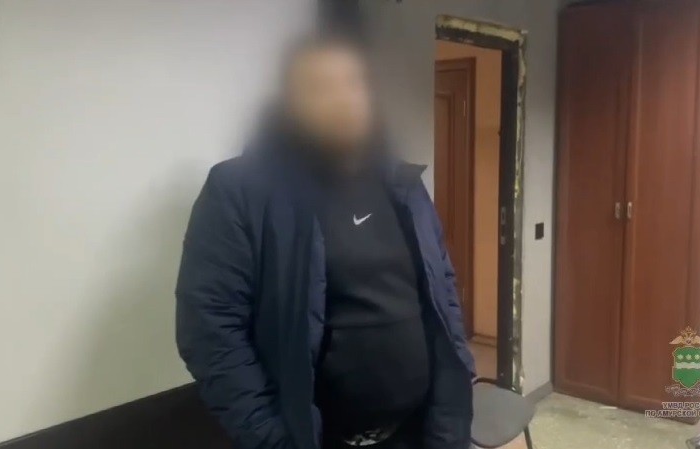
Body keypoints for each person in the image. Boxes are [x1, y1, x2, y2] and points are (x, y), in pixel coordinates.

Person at [175, 32, 475, 449]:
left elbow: (443, 292)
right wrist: (271, 438)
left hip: (418, 433)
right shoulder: (241, 191)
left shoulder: (404, 184)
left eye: (355, 83)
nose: (343, 99)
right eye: (321, 87)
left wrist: (452, 412)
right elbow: (210, 330)